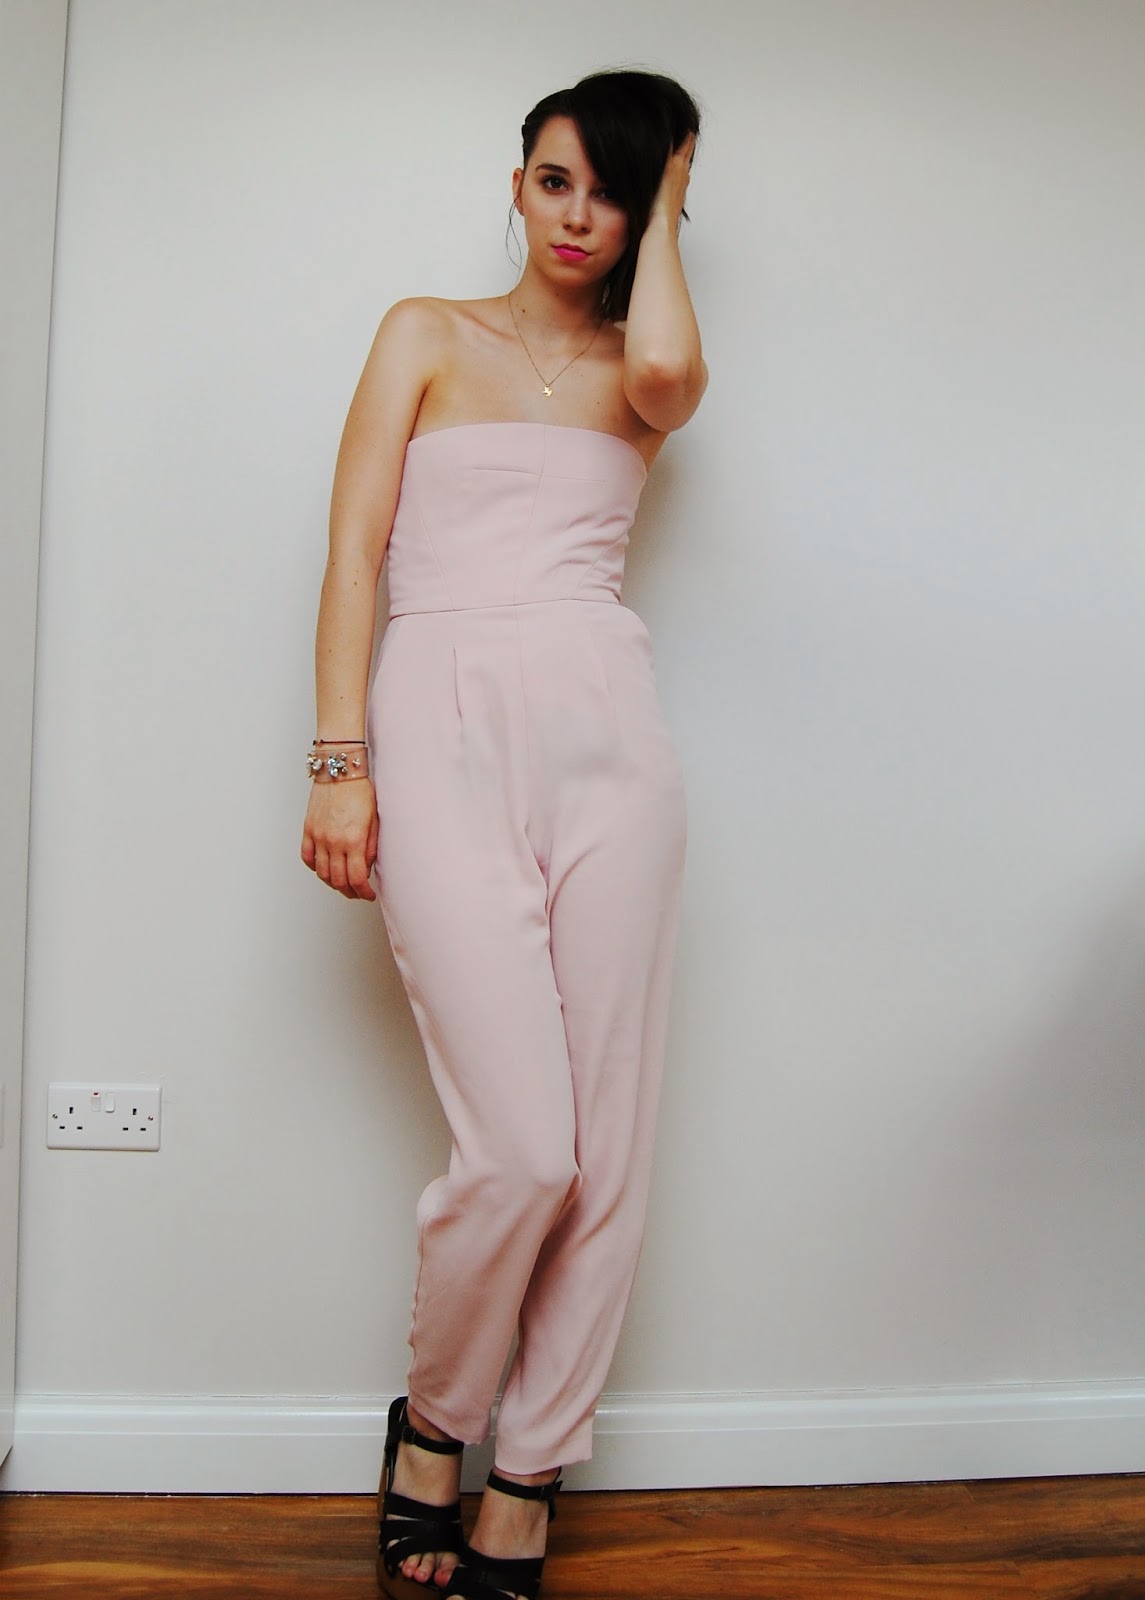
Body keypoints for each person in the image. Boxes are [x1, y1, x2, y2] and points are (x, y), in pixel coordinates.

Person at [301, 67, 707, 1600]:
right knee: (524, 1148)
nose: (577, 215)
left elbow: (662, 362)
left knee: (606, 1149)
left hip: (609, 738)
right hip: (437, 717)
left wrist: (672, 181)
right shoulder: (422, 332)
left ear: (651, 210)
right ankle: (437, 1423)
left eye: (614, 191)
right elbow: (351, 551)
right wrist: (339, 762)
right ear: (516, 183)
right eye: (555, 180)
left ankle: (529, 1468)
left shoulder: (647, 371)